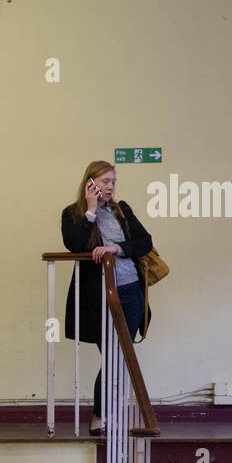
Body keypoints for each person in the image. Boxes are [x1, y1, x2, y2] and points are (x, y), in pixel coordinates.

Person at [61, 160, 154, 436]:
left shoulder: (121, 210)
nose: (110, 186)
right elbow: (74, 244)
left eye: (113, 181)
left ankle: (105, 415)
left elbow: (145, 241)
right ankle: (101, 415)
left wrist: (115, 247)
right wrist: (91, 210)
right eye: (105, 182)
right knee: (115, 355)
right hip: (99, 296)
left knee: (122, 355)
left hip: (130, 291)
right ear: (90, 183)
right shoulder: (73, 214)